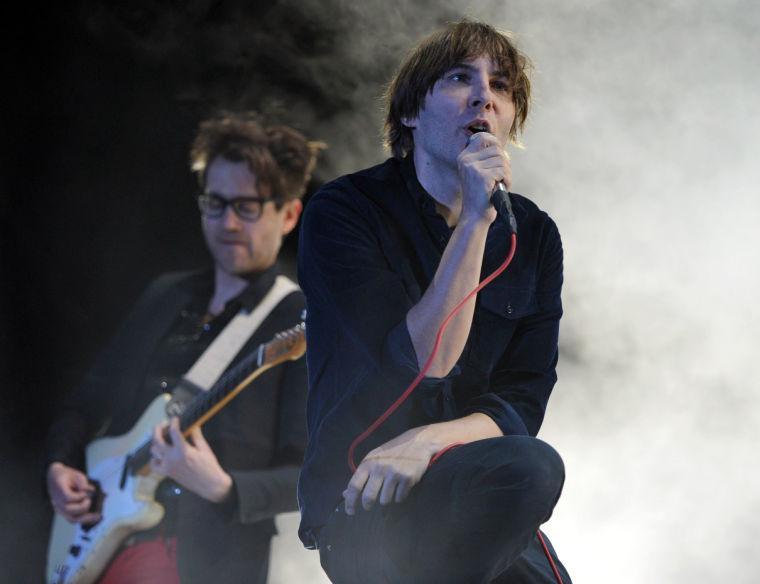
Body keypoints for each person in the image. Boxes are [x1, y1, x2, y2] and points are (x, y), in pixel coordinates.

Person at [297, 20, 572, 583]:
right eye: (458, 78)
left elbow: (523, 401)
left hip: (468, 482)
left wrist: (426, 441)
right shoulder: (345, 212)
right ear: (409, 113)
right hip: (363, 497)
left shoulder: (535, 235)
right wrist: (474, 218)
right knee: (530, 467)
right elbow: (425, 364)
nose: (483, 97)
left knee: (532, 467)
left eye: (501, 87)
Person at [45, 112, 322, 584]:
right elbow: (88, 400)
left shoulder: (300, 320)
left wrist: (224, 487)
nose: (228, 222)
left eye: (247, 206)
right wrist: (60, 462)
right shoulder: (164, 294)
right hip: (100, 536)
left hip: (205, 560)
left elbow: (313, 473)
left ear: (290, 213)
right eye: (215, 203)